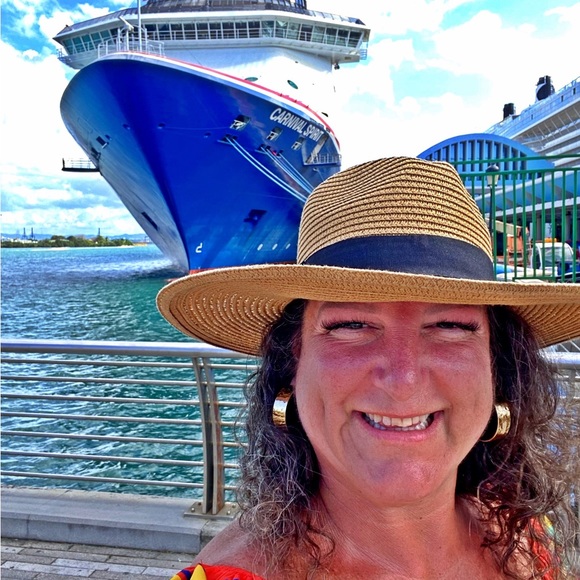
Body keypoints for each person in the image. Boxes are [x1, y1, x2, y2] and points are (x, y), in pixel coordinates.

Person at [158, 157, 580, 579]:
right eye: (351, 325)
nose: (403, 380)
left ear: (496, 366)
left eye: (450, 325)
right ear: (292, 362)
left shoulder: (528, 539)